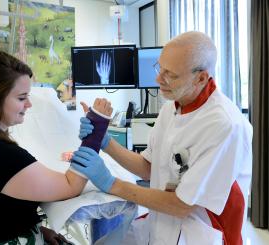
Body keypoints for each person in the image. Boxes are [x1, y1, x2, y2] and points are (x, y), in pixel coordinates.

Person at [71, 31, 252, 245]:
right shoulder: (171, 107)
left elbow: (182, 205)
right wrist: (105, 141)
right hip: (162, 224)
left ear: (201, 78)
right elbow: (149, 167)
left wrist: (112, 184)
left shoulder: (224, 125)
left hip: (200, 232)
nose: (158, 79)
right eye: (160, 68)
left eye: (171, 75)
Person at [0, 51, 113, 245]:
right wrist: (95, 134)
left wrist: (36, 228)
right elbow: (71, 186)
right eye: (22, 98)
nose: (29, 104)